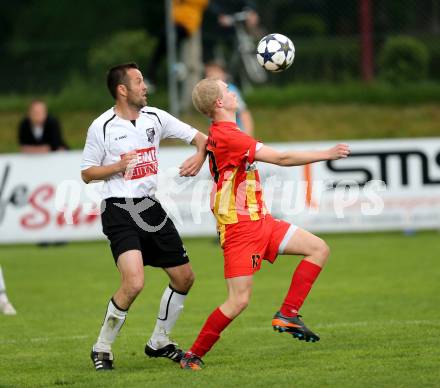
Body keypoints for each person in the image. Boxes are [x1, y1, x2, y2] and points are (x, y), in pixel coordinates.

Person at [180, 78, 350, 370]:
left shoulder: (223, 133)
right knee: (238, 301)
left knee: (318, 249)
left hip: (262, 220)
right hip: (240, 229)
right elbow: (282, 158)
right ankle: (192, 355)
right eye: (227, 90)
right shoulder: (231, 136)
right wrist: (327, 153)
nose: (233, 92)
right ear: (220, 103)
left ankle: (288, 313)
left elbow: (205, 142)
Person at [81, 63, 207, 371]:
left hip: (150, 207)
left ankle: (160, 341)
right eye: (138, 82)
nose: (145, 86)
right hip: (119, 208)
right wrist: (116, 167)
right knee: (134, 282)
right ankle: (102, 347)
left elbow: (203, 139)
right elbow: (87, 173)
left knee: (184, 277)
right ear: (122, 90)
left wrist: (199, 156)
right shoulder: (103, 126)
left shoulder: (156, 117)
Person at [205, 61, 254, 136]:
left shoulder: (231, 90)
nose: (211, 75)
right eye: (209, 73)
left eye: (215, 72)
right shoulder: (207, 93)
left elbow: (244, 113)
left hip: (236, 134)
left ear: (223, 74)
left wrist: (248, 135)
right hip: (220, 136)